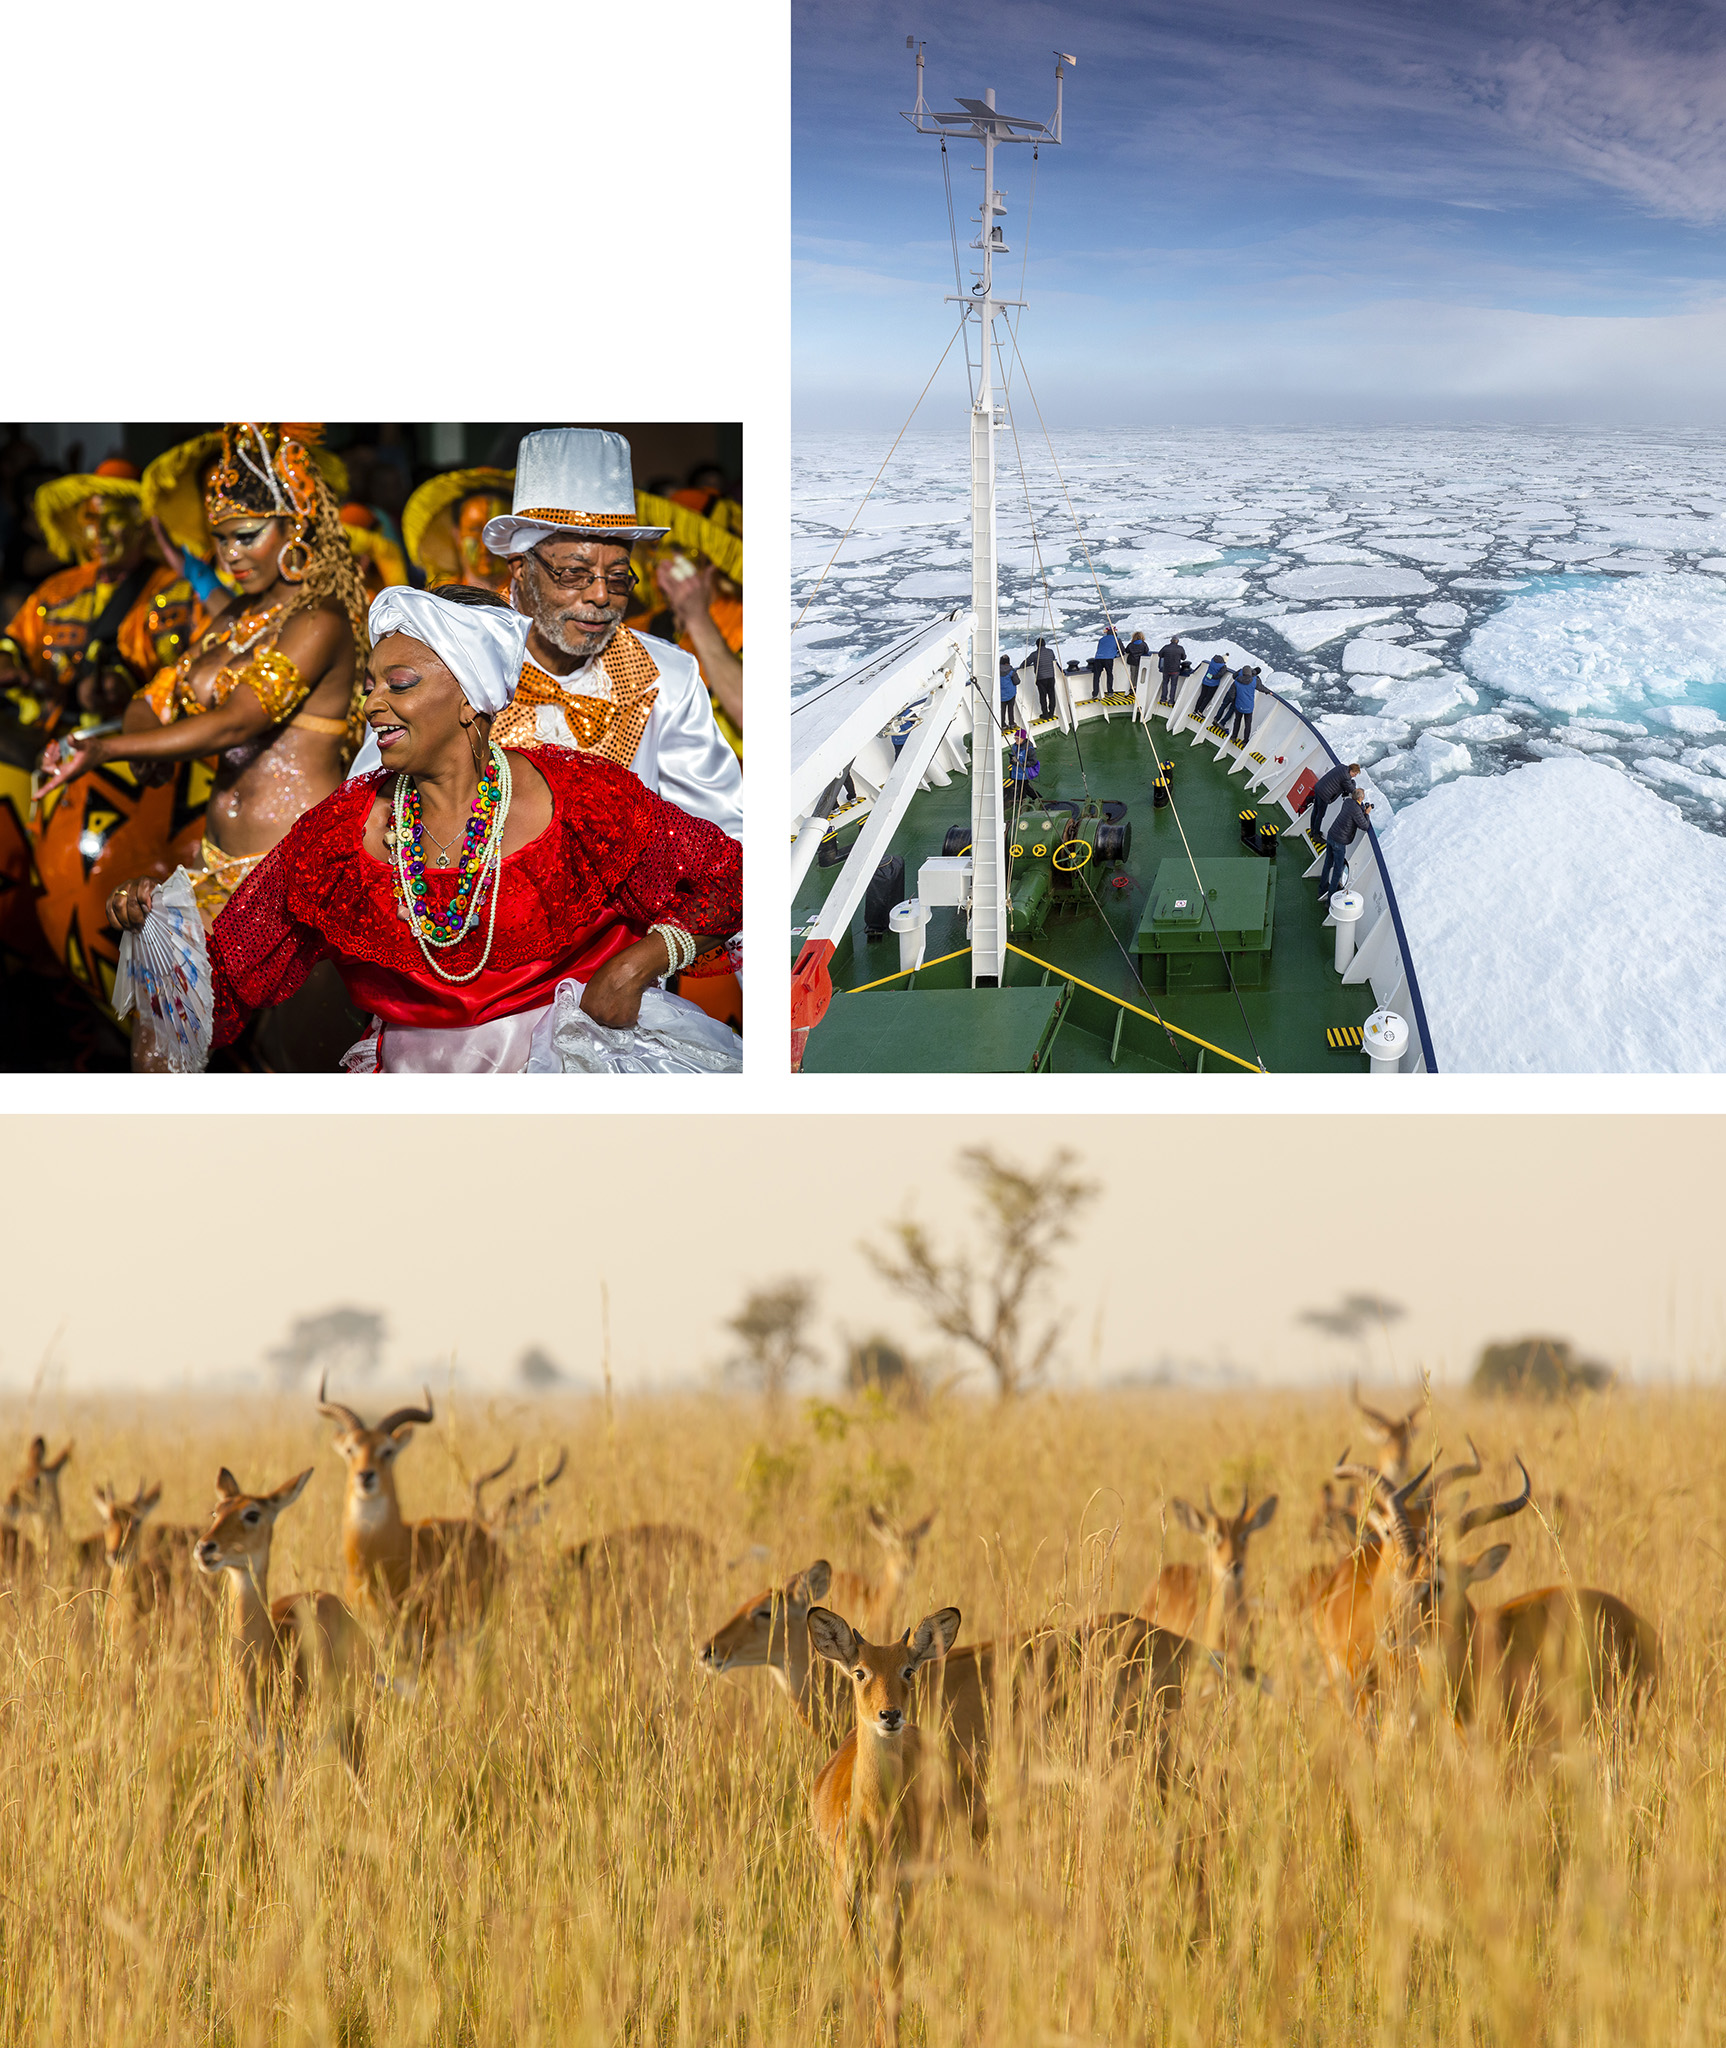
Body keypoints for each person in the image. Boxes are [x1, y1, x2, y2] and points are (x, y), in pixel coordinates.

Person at [106, 586, 742, 1073]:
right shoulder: (335, 838)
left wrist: (636, 966)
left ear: (469, 697)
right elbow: (225, 983)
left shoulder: (583, 799)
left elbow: (734, 883)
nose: (372, 703)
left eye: (399, 684)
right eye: (370, 685)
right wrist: (152, 925)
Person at [38, 424, 367, 929]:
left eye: (245, 536)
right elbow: (153, 699)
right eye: (220, 540)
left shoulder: (319, 619)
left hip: (298, 874)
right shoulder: (231, 619)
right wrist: (148, 744)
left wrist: (109, 750)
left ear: (294, 528)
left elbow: (236, 723)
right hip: (214, 867)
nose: (229, 554)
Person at [481, 429, 742, 840]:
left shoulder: (667, 678)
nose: (601, 595)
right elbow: (384, 813)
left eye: (618, 576)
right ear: (520, 570)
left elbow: (718, 836)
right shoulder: (455, 663)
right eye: (574, 573)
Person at [0, 461, 197, 728]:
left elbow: (201, 669)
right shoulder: (58, 589)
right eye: (91, 518)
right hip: (59, 739)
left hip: (150, 743)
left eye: (113, 517)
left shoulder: (180, 588)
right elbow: (17, 644)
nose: (100, 532)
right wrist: (7, 665)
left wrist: (130, 687)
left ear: (142, 524)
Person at [401, 466, 516, 596]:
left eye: (498, 528)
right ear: (457, 535)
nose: (486, 544)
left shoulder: (531, 600)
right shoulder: (434, 601)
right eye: (475, 529)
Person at [1320, 788, 1373, 904]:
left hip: (1331, 835)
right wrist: (1367, 814)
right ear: (1360, 798)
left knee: (1328, 863)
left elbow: (1354, 812)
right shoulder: (1357, 810)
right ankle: (1330, 898)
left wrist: (1361, 810)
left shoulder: (1348, 802)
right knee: (1338, 870)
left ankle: (1322, 888)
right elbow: (1364, 826)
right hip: (1339, 841)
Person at [1304, 759, 1361, 846]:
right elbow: (1352, 790)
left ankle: (1313, 831)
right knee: (1320, 815)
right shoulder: (1346, 777)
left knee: (1315, 811)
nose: (1354, 776)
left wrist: (1351, 782)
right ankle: (1316, 836)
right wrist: (1353, 783)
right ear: (1351, 771)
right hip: (1324, 794)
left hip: (1319, 788)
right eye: (1355, 774)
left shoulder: (1341, 767)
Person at [1229, 665, 1260, 746]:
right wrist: (1268, 692)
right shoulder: (1254, 681)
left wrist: (1235, 701)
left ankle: (1234, 736)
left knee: (1237, 721)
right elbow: (1261, 687)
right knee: (1248, 724)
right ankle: (1245, 740)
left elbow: (1231, 694)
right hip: (1249, 707)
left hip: (1239, 706)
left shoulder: (1236, 681)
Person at [1193, 652, 1229, 720]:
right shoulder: (1223, 667)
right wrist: (1212, 677)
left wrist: (1209, 676)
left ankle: (1195, 710)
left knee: (1202, 696)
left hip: (1205, 681)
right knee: (1207, 698)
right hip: (1213, 684)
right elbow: (1219, 675)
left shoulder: (1213, 660)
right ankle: (1200, 711)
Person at [1089, 625, 1120, 698]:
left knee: (1096, 676)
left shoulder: (1101, 639)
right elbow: (1122, 649)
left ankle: (1095, 693)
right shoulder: (1116, 639)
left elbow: (1099, 648)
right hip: (1108, 659)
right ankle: (1110, 691)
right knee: (1109, 674)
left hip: (1098, 658)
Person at [1032, 636, 1059, 720]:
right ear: (1045, 644)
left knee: (1043, 697)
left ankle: (1045, 714)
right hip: (1051, 677)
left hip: (1041, 678)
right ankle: (1051, 713)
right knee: (1052, 695)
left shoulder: (1035, 654)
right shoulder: (1050, 652)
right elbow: (1053, 659)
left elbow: (1026, 662)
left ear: (1037, 645)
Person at [999, 651, 1019, 725]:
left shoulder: (997, 672)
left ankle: (1002, 724)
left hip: (1001, 695)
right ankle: (1011, 723)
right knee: (1010, 709)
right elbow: (1017, 682)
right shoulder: (1011, 671)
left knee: (1002, 710)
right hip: (1011, 694)